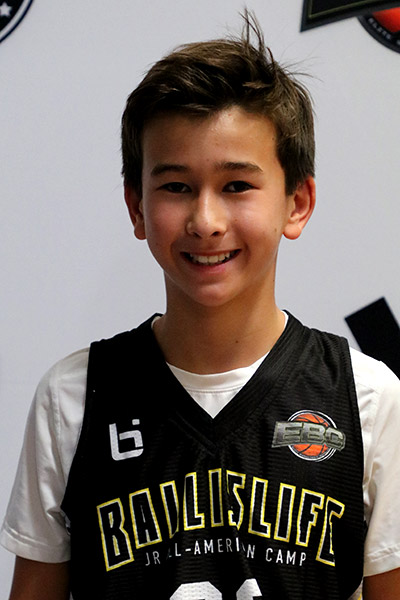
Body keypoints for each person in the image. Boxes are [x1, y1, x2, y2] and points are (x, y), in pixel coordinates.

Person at [1, 11, 400, 600]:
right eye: (176, 187)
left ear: (297, 202)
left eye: (237, 186)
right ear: (137, 206)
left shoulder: (367, 399)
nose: (205, 221)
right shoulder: (72, 399)